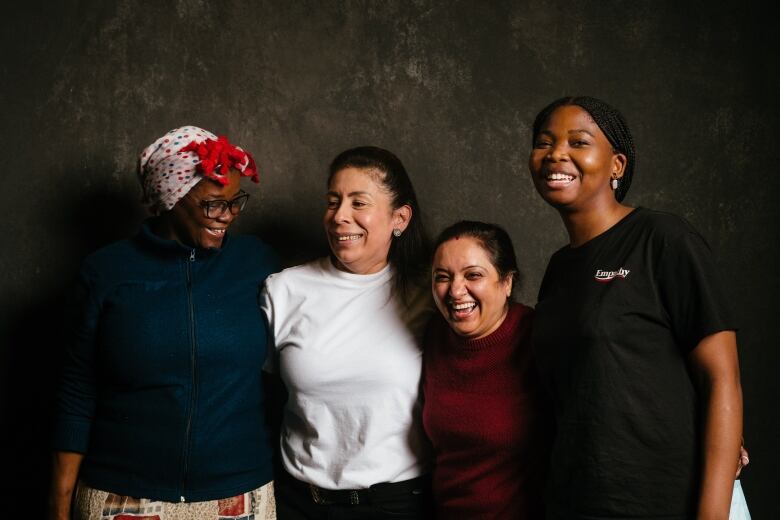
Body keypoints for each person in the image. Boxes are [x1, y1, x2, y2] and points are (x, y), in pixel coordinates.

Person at [528, 96, 744, 518]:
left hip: (662, 502)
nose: (556, 153)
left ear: (617, 166)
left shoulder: (662, 239)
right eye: (544, 142)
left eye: (578, 142)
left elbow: (723, 379)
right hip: (576, 502)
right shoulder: (559, 269)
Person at [50, 126, 278, 519]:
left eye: (235, 201)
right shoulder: (106, 272)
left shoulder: (256, 263)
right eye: (212, 204)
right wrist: (58, 505)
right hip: (122, 496)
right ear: (171, 198)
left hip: (238, 495)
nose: (227, 216)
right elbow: (77, 391)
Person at [261, 146, 434, 519]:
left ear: (399, 218)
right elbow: (262, 402)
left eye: (359, 203)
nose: (340, 217)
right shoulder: (285, 290)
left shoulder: (431, 297)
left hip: (397, 505)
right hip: (300, 504)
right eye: (333, 201)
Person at [422, 220, 550, 519]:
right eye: (442, 277)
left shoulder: (537, 337)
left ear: (507, 282)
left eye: (473, 275)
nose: (455, 290)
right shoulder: (434, 335)